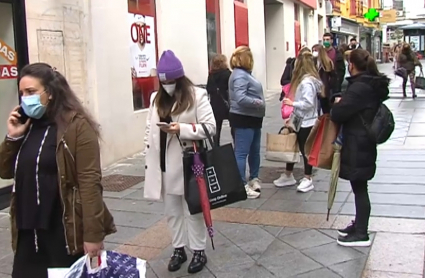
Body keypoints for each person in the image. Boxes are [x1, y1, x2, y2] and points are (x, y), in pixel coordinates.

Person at [0, 63, 116, 278]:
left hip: (62, 230)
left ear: (50, 93)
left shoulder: (76, 126)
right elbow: (5, 172)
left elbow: (90, 183)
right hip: (28, 233)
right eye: (22, 93)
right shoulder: (27, 125)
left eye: (32, 92)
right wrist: (12, 137)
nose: (26, 98)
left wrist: (93, 235)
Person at [143, 50, 216, 274]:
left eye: (171, 81)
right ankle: (178, 248)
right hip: (163, 164)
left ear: (180, 78)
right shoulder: (156, 98)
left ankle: (198, 250)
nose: (167, 85)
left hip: (188, 164)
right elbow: (149, 127)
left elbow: (210, 127)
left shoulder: (197, 96)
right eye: (163, 81)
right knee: (172, 211)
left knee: (193, 209)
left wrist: (181, 129)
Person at [331, 49, 390, 247]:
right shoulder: (369, 84)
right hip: (363, 140)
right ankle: (358, 225)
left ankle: (361, 232)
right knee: (359, 186)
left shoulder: (360, 88)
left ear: (352, 65)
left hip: (358, 141)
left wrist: (338, 103)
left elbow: (338, 114)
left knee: (359, 187)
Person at [273, 52, 322, 193]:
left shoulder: (306, 83)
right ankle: (289, 174)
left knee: (304, 149)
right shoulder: (308, 81)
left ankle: (307, 177)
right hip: (300, 119)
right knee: (293, 146)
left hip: (306, 121)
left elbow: (308, 103)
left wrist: (292, 103)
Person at [228, 46, 266, 199]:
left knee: (254, 150)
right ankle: (241, 184)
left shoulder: (244, 74)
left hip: (253, 118)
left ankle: (254, 178)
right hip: (243, 118)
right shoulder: (239, 76)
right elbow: (240, 97)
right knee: (242, 152)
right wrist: (258, 102)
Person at [206, 54, 231, 145]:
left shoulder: (211, 75)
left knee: (216, 129)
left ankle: (216, 148)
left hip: (215, 104)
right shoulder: (228, 74)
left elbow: (209, 89)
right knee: (234, 127)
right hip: (227, 103)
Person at [312, 44, 337, 114]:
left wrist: (329, 85)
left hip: (324, 90)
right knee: (316, 110)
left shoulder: (327, 62)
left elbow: (333, 76)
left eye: (315, 50)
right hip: (314, 88)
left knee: (325, 109)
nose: (314, 52)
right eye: (313, 50)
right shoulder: (312, 62)